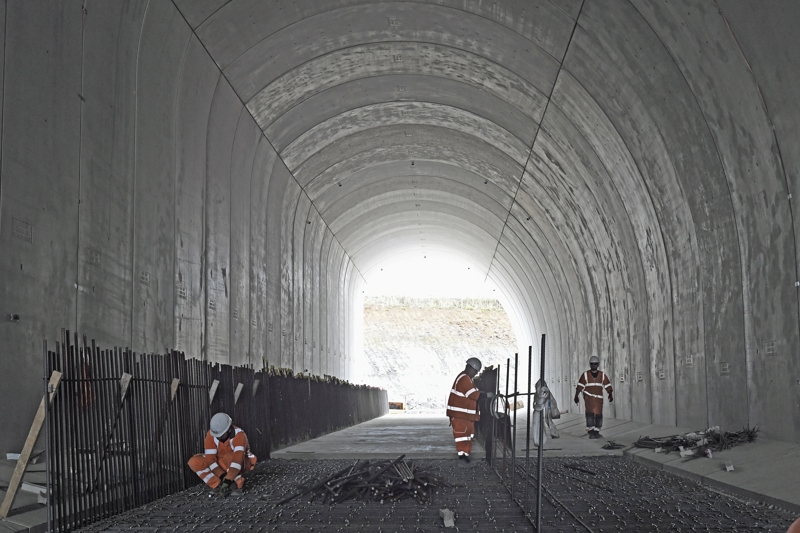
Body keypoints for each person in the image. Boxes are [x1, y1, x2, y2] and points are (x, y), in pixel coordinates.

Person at [187, 412, 257, 497]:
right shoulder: (211, 434)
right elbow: (210, 459)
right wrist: (222, 476)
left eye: (221, 436)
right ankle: (216, 484)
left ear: (229, 430)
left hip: (241, 462)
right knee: (194, 462)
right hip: (222, 462)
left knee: (229, 457)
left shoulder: (239, 435)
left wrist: (228, 480)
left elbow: (237, 460)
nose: (218, 438)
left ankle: (238, 485)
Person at [446, 357, 493, 463]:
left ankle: (465, 454)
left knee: (467, 435)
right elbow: (473, 395)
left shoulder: (467, 379)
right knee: (462, 435)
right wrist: (487, 395)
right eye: (475, 371)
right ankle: (462, 457)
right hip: (461, 416)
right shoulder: (464, 379)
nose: (476, 374)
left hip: (465, 416)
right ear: (471, 368)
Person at [573, 356, 613, 439]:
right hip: (589, 398)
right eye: (592, 364)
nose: (593, 365)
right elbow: (580, 386)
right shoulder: (585, 375)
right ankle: (591, 432)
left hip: (599, 399)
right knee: (590, 414)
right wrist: (576, 395)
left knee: (598, 415)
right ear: (590, 364)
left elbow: (607, 384)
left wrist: (610, 393)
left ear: (598, 364)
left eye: (595, 364)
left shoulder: (602, 375)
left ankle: (596, 431)